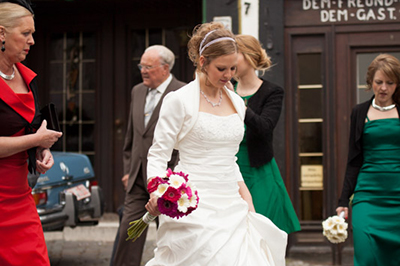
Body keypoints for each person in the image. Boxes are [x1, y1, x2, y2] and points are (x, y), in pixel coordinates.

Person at [144, 22, 287, 266]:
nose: (228, 75)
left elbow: (230, 159)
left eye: (233, 68)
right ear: (202, 61)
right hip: (192, 204)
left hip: (232, 204)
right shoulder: (178, 101)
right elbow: (158, 154)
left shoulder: (236, 102)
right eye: (221, 68)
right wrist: (157, 191)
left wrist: (248, 202)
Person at [0, 1, 63, 265]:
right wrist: (37, 139)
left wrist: (41, 149)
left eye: (33, 33)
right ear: (1, 33)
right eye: (25, 33)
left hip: (20, 194)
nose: (32, 41)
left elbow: (29, 128)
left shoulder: (28, 77)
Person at [111, 45, 185, 266]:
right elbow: (132, 137)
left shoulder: (182, 93)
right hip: (137, 181)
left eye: (148, 66)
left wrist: (177, 178)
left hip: (168, 182)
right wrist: (128, 171)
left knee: (171, 236)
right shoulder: (138, 91)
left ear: (165, 68)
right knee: (129, 233)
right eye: (141, 65)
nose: (142, 70)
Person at [232, 34, 300, 234]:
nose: (229, 59)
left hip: (258, 170)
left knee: (260, 228)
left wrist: (240, 105)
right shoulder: (226, 90)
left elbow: (264, 127)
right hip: (229, 168)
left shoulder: (271, 92)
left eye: (235, 53)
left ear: (249, 56)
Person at [336, 54, 400, 266]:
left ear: (396, 84)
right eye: (379, 82)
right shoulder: (359, 112)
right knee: (366, 255)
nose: (383, 88)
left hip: (398, 196)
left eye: (390, 83)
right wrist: (343, 200)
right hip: (368, 196)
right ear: (370, 82)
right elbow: (353, 160)